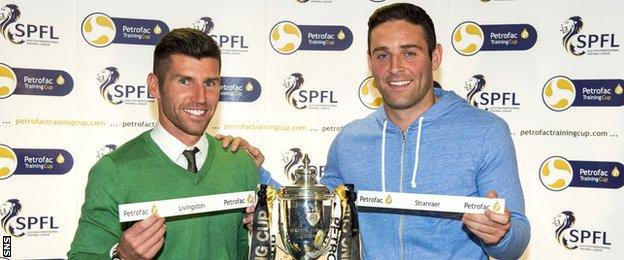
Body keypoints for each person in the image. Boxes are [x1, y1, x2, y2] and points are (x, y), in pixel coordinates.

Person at [244, 3, 530, 259]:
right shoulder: (349, 140)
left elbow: (517, 237)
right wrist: (256, 173)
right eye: (383, 55)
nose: (395, 68)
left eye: (409, 53)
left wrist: (500, 234)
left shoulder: (486, 131)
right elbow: (315, 219)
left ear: (435, 57)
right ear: (369, 62)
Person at [68, 28, 259, 259]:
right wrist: (122, 257)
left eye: (210, 83)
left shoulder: (239, 163)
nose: (200, 97)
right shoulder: (114, 171)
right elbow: (83, 255)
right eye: (185, 81)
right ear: (155, 85)